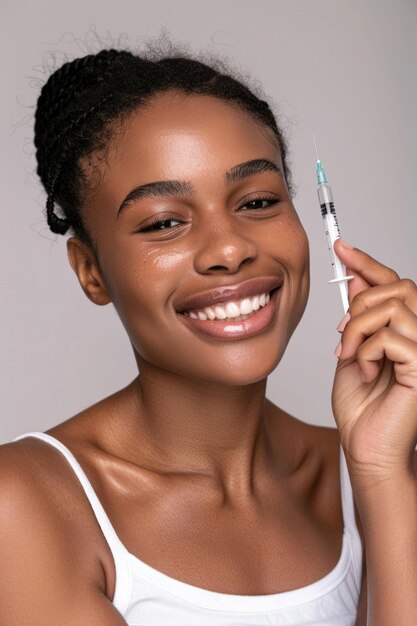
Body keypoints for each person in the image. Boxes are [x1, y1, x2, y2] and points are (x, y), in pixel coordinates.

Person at [1, 43, 416, 626]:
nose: (229, 248)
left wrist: (380, 475)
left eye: (258, 201)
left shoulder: (379, 469)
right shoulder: (28, 505)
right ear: (91, 271)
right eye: (165, 222)